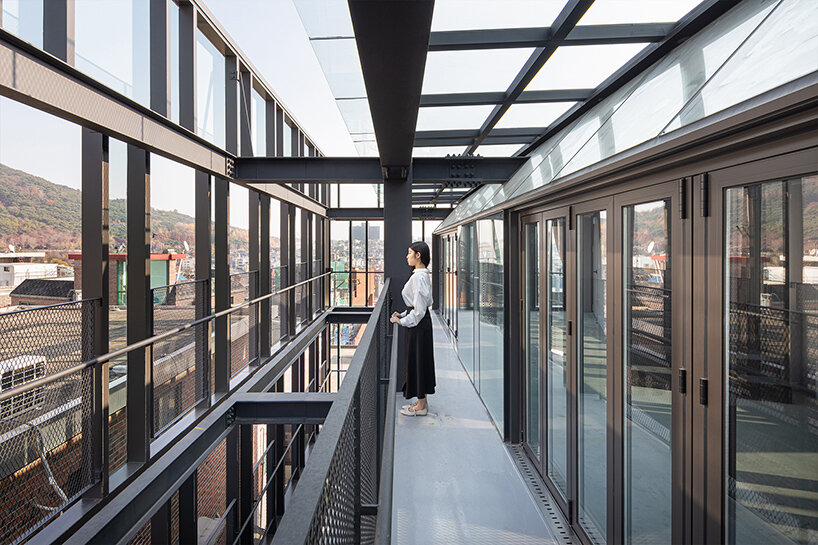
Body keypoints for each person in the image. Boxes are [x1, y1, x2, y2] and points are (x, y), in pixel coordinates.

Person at [390, 241, 436, 416]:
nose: (406, 256)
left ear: (418, 255)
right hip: (421, 324)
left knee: (417, 361)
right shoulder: (421, 274)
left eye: (410, 253)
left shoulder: (418, 277)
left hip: (418, 326)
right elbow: (419, 305)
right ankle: (420, 401)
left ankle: (421, 406)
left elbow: (419, 310)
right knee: (419, 361)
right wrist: (403, 314)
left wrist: (401, 321)